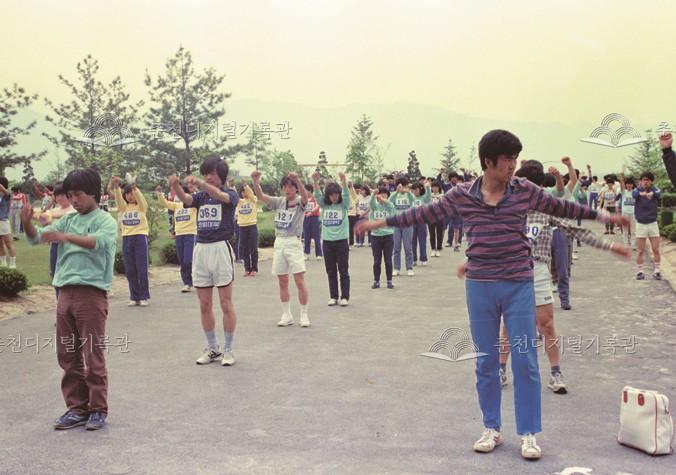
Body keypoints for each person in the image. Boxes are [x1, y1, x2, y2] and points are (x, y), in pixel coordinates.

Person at [356, 129, 627, 460]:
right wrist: (378, 222)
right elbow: (423, 214)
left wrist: (604, 215)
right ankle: (491, 428)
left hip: (518, 283)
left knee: (525, 360)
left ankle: (528, 433)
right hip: (480, 285)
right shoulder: (461, 195)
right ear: (488, 162)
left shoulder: (524, 190)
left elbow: (562, 207)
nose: (513, 165)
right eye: (507, 159)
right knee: (486, 361)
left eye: (515, 159)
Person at [498, 160, 630, 394]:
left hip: (538, 271)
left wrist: (610, 246)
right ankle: (500, 369)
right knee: (508, 325)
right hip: (512, 273)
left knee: (547, 324)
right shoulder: (507, 210)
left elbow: (576, 230)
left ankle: (555, 372)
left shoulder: (546, 212)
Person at [22, 168, 117, 431]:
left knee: (92, 353)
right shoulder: (67, 220)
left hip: (91, 294)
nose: (73, 200)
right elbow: (37, 238)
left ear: (93, 193)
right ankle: (77, 408)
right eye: (70, 195)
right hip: (64, 292)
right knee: (67, 354)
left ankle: (97, 409)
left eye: (78, 195)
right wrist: (27, 223)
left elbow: (96, 242)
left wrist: (64, 237)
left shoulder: (105, 221)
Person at [170, 155, 240, 366]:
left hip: (220, 249)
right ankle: (212, 348)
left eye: (212, 174)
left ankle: (228, 349)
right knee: (204, 304)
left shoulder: (230, 194)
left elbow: (219, 195)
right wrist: (176, 186)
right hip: (201, 249)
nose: (208, 177)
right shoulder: (201, 197)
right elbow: (187, 200)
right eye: (205, 174)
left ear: (221, 176)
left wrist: (201, 183)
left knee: (225, 303)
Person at [251, 170, 310, 327]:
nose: (287, 189)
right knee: (282, 281)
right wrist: (255, 182)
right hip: (279, 242)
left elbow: (305, 197)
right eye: (285, 187)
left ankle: (304, 314)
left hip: (293, 241)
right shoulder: (279, 202)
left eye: (291, 186)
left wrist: (298, 180)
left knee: (299, 280)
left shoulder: (300, 202)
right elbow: (261, 196)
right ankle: (286, 314)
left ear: (296, 188)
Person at [109, 176, 150, 307]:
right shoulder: (123, 208)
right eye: (127, 194)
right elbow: (118, 200)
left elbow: (141, 199)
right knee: (130, 269)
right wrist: (116, 187)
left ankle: (144, 296)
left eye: (131, 193)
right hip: (127, 238)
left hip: (140, 237)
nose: (130, 196)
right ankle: (134, 296)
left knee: (141, 268)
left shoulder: (141, 207)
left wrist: (134, 187)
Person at [313, 171, 351, 306]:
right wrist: (315, 181)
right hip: (327, 242)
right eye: (331, 195)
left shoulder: (343, 204)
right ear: (328, 196)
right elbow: (317, 195)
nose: (334, 197)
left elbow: (346, 193)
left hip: (341, 242)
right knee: (331, 271)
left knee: (343, 270)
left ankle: (345, 297)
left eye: (336, 194)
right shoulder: (324, 205)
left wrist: (343, 180)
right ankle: (333, 296)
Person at [156, 181, 197, 291]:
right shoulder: (176, 205)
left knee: (188, 259)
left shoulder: (193, 204)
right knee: (182, 260)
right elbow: (164, 203)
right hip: (179, 235)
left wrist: (194, 189)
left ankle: (196, 277)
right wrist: (160, 194)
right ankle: (187, 283)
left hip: (190, 234)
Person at [37, 185, 77, 299]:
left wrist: (50, 216)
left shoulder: (74, 209)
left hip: (70, 246)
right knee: (55, 273)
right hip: (56, 246)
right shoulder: (53, 211)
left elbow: (66, 216)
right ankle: (59, 299)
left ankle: (70, 299)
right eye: (57, 195)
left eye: (63, 195)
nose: (60, 198)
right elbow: (43, 220)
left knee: (70, 273)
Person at [633, 171, 662, 280]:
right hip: (641, 224)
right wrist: (642, 194)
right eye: (644, 180)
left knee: (655, 249)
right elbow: (634, 194)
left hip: (653, 223)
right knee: (640, 250)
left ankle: (657, 271)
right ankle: (640, 271)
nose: (646, 182)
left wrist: (652, 193)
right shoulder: (637, 190)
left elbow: (659, 194)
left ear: (651, 181)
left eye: (648, 180)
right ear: (640, 181)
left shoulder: (655, 189)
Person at [368, 185, 396, 289]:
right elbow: (371, 202)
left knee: (388, 260)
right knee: (376, 261)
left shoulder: (390, 206)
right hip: (375, 236)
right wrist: (373, 194)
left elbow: (390, 205)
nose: (381, 197)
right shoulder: (375, 206)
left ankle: (389, 281)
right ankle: (376, 281)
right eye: (380, 194)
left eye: (384, 195)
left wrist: (383, 199)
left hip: (388, 236)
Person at [389, 176, 416, 276]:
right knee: (396, 247)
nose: (402, 187)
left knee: (408, 247)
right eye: (400, 185)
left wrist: (407, 191)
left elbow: (413, 199)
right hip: (396, 224)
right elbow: (389, 201)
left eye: (404, 185)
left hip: (407, 224)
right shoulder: (395, 195)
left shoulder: (409, 195)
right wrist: (396, 192)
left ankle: (409, 267)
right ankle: (396, 268)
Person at [235, 181, 259, 277]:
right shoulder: (239, 202)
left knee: (253, 248)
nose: (244, 193)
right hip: (242, 227)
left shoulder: (253, 200)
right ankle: (247, 268)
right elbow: (233, 196)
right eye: (242, 192)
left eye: (245, 191)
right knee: (244, 249)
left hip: (252, 226)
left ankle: (254, 268)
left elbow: (251, 194)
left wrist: (246, 187)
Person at [411, 181, 431, 266]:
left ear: (420, 190)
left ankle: (423, 258)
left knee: (422, 241)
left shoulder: (424, 198)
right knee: (412, 241)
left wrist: (427, 187)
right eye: (413, 190)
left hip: (422, 222)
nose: (414, 191)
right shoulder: (411, 198)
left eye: (416, 189)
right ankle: (413, 259)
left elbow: (429, 196)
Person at [302, 183, 323, 260]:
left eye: (305, 190)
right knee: (306, 236)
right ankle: (306, 254)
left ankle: (319, 254)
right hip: (305, 219)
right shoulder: (303, 199)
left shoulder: (315, 197)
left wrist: (311, 212)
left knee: (316, 236)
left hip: (314, 218)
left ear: (310, 191)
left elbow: (318, 206)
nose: (304, 192)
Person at [0, 177, 17, 268]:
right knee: (0, 245)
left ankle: (12, 263)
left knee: (9, 244)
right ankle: (3, 263)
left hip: (3, 221)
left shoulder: (7, 194)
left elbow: (7, 193)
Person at [428, 180, 445, 257]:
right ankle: (433, 249)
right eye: (433, 187)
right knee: (432, 234)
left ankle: (438, 249)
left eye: (436, 187)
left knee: (439, 233)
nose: (435, 188)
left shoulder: (442, 196)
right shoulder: (429, 196)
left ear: (439, 188)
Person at [619, 171, 636, 248]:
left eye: (630, 184)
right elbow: (621, 185)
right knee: (625, 229)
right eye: (628, 184)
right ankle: (625, 244)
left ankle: (633, 244)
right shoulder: (624, 192)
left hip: (633, 213)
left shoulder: (635, 192)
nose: (629, 185)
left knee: (633, 230)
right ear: (626, 185)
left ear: (632, 185)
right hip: (625, 213)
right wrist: (622, 177)